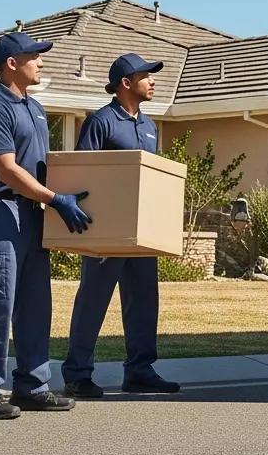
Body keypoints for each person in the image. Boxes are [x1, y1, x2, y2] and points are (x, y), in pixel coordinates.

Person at [0, 31, 92, 420]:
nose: (41, 62)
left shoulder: (34, 108)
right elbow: (6, 167)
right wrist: (55, 199)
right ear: (11, 64)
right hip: (1, 211)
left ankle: (32, 386)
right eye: (34, 56)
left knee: (36, 304)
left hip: (34, 213)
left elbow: (42, 164)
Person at [61, 53, 180, 399]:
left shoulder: (149, 126)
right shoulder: (100, 122)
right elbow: (85, 175)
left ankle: (140, 371)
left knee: (144, 301)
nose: (153, 80)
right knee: (92, 302)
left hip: (141, 234)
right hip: (107, 233)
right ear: (126, 84)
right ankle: (77, 374)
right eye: (146, 76)